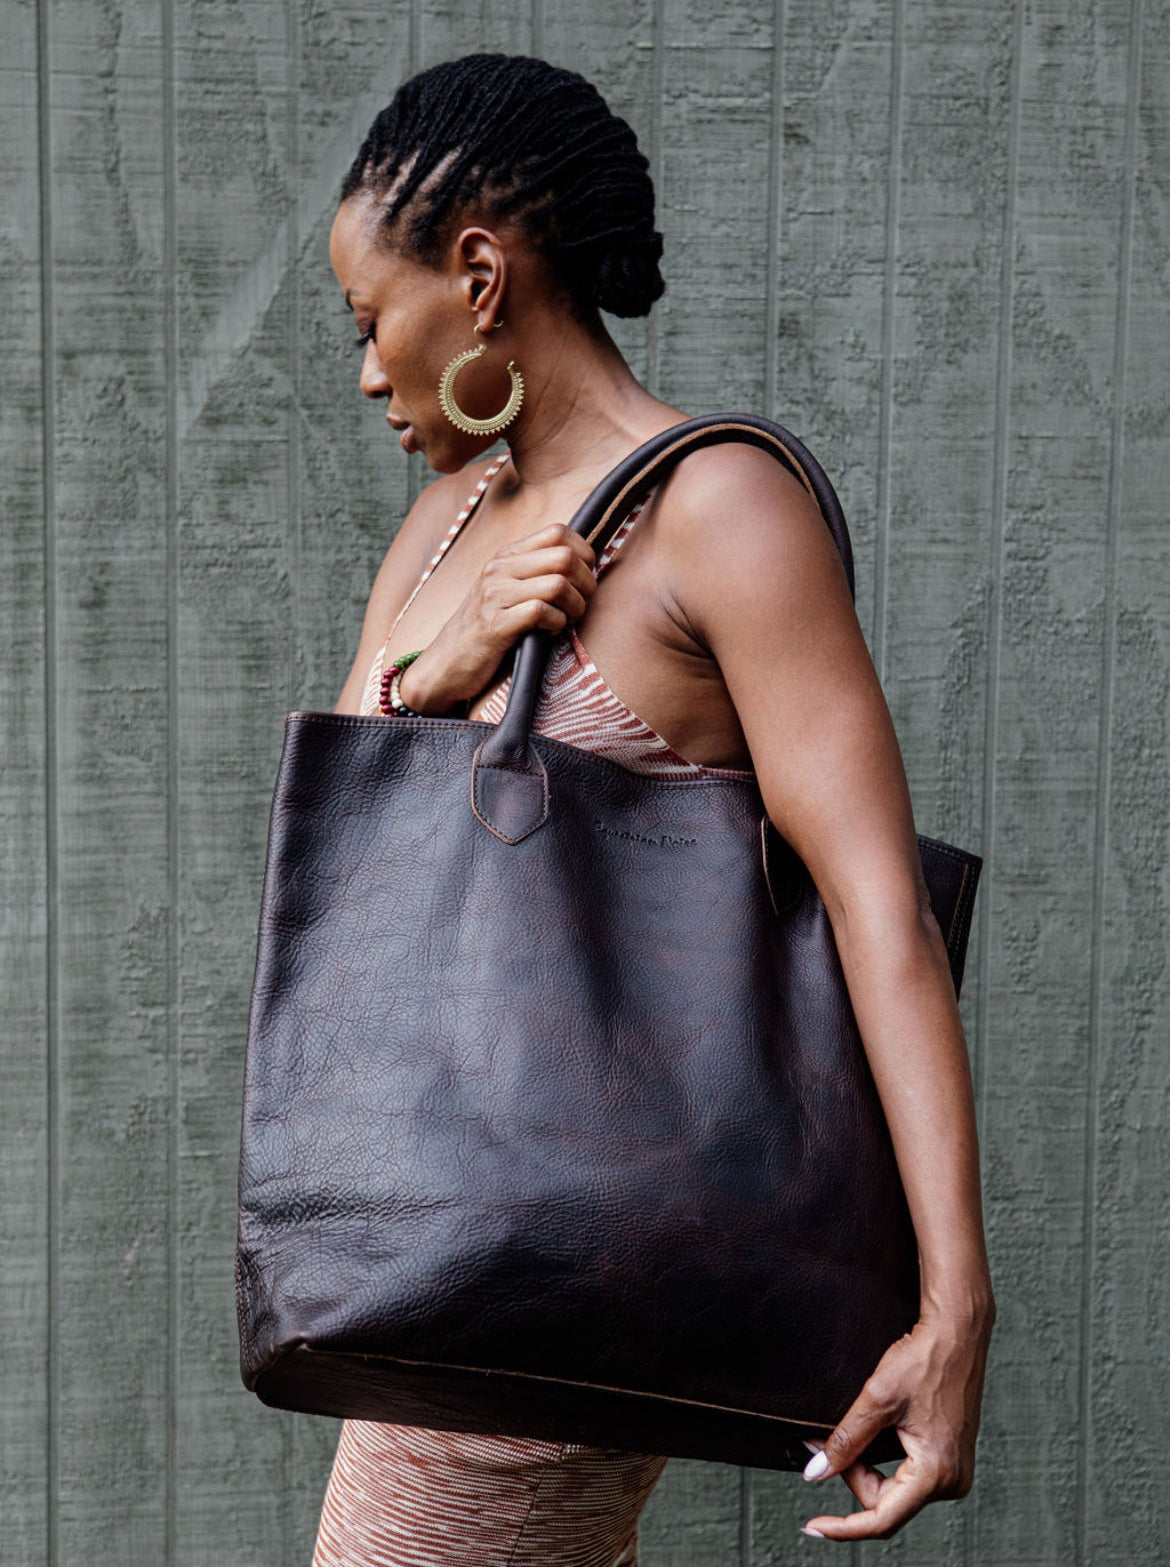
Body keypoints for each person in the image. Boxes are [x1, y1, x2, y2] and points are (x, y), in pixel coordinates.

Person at [317, 52, 995, 1565]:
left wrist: (955, 1307)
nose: (366, 372)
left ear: (479, 275)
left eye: (375, 322)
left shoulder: (718, 506)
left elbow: (870, 907)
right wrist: (449, 665)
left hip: (555, 1263)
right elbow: (356, 848)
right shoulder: (444, 530)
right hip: (428, 1243)